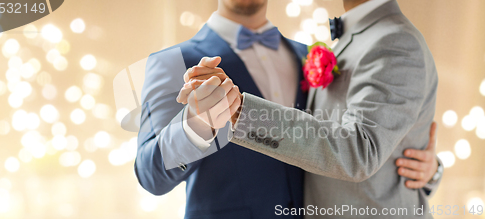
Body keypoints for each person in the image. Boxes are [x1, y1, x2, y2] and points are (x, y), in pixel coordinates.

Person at [139, 0, 441, 218]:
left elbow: (353, 140)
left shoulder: (307, 56)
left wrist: (424, 165)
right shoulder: (170, 62)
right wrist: (195, 127)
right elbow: (150, 175)